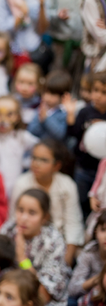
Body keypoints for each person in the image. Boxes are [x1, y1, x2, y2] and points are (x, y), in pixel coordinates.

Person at [9, 139, 84, 266]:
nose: (36, 164)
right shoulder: (22, 183)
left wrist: (67, 259)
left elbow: (73, 223)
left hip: (60, 243)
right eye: (34, 158)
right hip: (28, 241)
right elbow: (14, 219)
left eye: (44, 160)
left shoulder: (66, 185)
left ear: (57, 165)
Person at [0, 189, 71, 306]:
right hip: (7, 294)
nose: (23, 218)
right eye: (20, 210)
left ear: (45, 217)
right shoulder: (8, 229)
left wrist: (22, 259)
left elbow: (43, 296)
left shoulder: (54, 241)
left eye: (32, 213)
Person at [65, 72, 106, 221]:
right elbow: (73, 133)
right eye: (95, 90)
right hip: (84, 166)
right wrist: (70, 115)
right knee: (80, 199)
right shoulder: (85, 112)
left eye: (104, 92)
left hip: (102, 171)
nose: (98, 95)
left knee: (98, 202)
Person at [0, 95, 39, 198]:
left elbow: (40, 147)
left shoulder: (21, 137)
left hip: (14, 187)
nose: (2, 120)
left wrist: (27, 163)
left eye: (9, 114)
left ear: (17, 117)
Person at [68, 211, 106, 306]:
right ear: (95, 231)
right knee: (71, 301)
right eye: (103, 230)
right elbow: (72, 289)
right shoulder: (90, 252)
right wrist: (98, 279)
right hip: (91, 297)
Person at [27, 70, 70, 141]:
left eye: (52, 94)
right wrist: (40, 119)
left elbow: (60, 135)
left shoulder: (64, 112)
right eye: (45, 92)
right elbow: (32, 130)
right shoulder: (41, 108)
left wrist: (46, 119)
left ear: (63, 95)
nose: (47, 97)